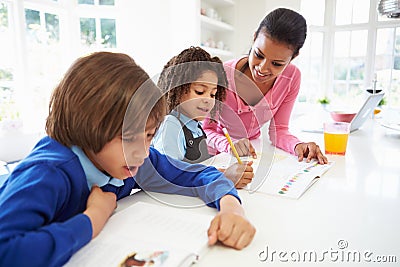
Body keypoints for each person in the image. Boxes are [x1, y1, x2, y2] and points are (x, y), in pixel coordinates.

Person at [0, 52, 255, 267]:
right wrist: (93, 219)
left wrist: (232, 208)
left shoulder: (132, 160)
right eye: (129, 137)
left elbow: (197, 174)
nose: (143, 151)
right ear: (89, 128)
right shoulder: (47, 173)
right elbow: (6, 252)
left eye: (149, 136)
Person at [202, 8, 328, 164]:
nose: (262, 68)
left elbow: (279, 131)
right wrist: (229, 145)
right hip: (216, 157)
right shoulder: (221, 75)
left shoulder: (292, 78)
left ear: (294, 57)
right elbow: (206, 129)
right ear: (254, 38)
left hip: (253, 153)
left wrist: (298, 145)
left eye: (276, 63)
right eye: (258, 55)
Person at [152, 46, 254, 188]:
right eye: (200, 91)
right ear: (178, 88)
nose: (208, 100)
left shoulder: (195, 125)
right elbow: (168, 175)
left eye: (213, 94)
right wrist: (222, 177)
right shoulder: (172, 125)